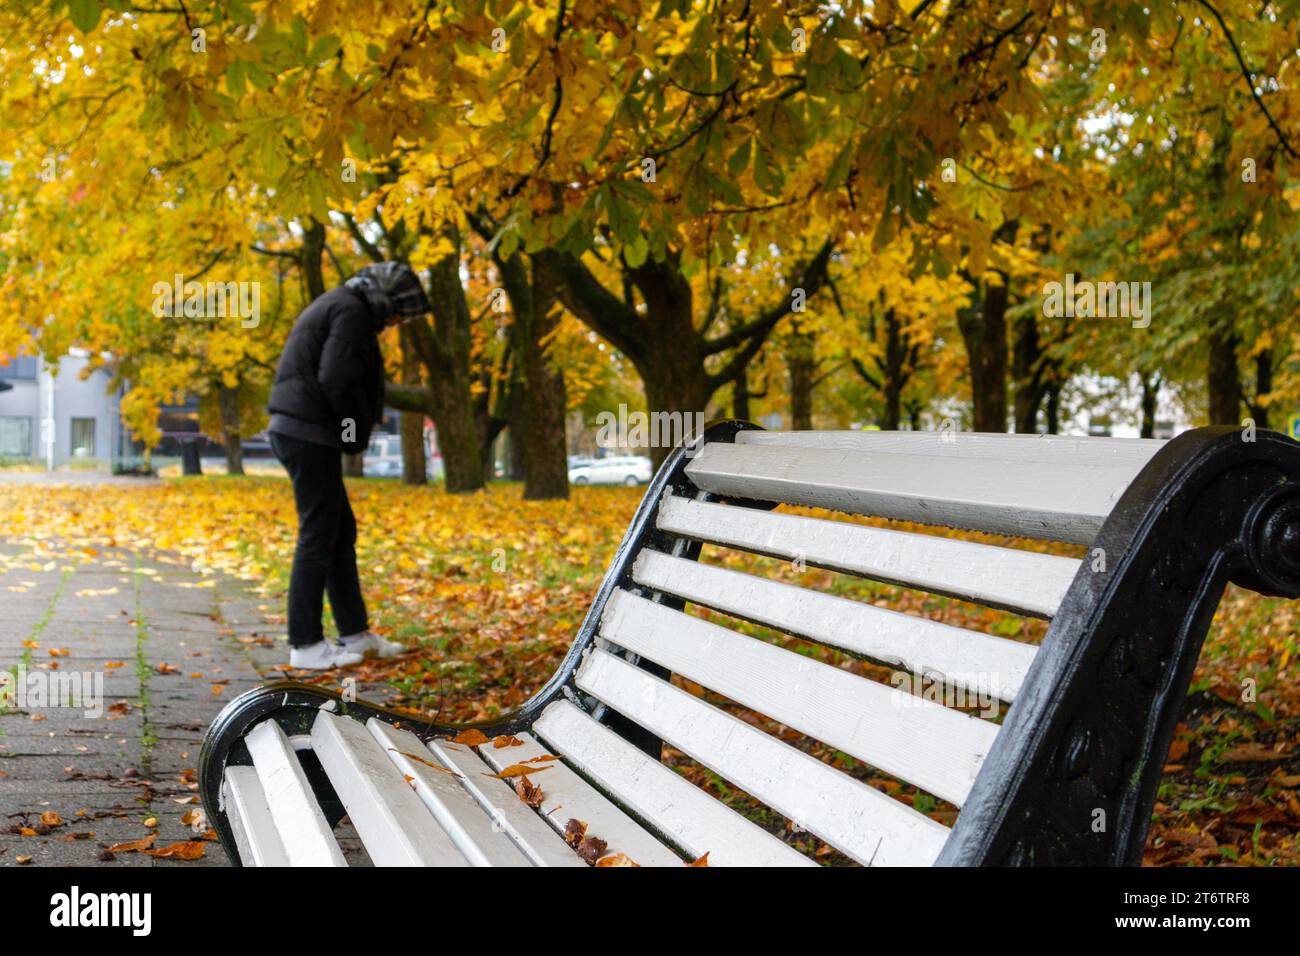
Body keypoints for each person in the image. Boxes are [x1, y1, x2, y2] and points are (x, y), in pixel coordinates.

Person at [266, 261, 431, 669]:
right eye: (396, 314)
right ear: (383, 299)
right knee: (319, 533)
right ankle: (305, 644)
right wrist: (352, 434)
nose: (393, 323)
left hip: (302, 428)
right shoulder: (352, 312)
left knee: (339, 531)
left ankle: (355, 634)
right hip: (307, 432)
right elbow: (338, 379)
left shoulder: (343, 305)